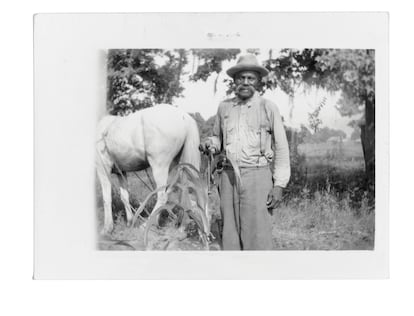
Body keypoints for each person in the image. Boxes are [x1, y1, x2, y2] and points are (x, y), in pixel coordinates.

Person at [200, 54, 291, 250]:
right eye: (241, 78)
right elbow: (218, 138)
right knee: (230, 235)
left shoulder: (268, 108)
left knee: (257, 236)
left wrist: (279, 185)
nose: (245, 82)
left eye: (250, 78)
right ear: (234, 80)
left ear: (258, 81)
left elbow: (282, 148)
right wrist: (210, 144)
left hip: (257, 176)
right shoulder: (224, 107)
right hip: (228, 176)